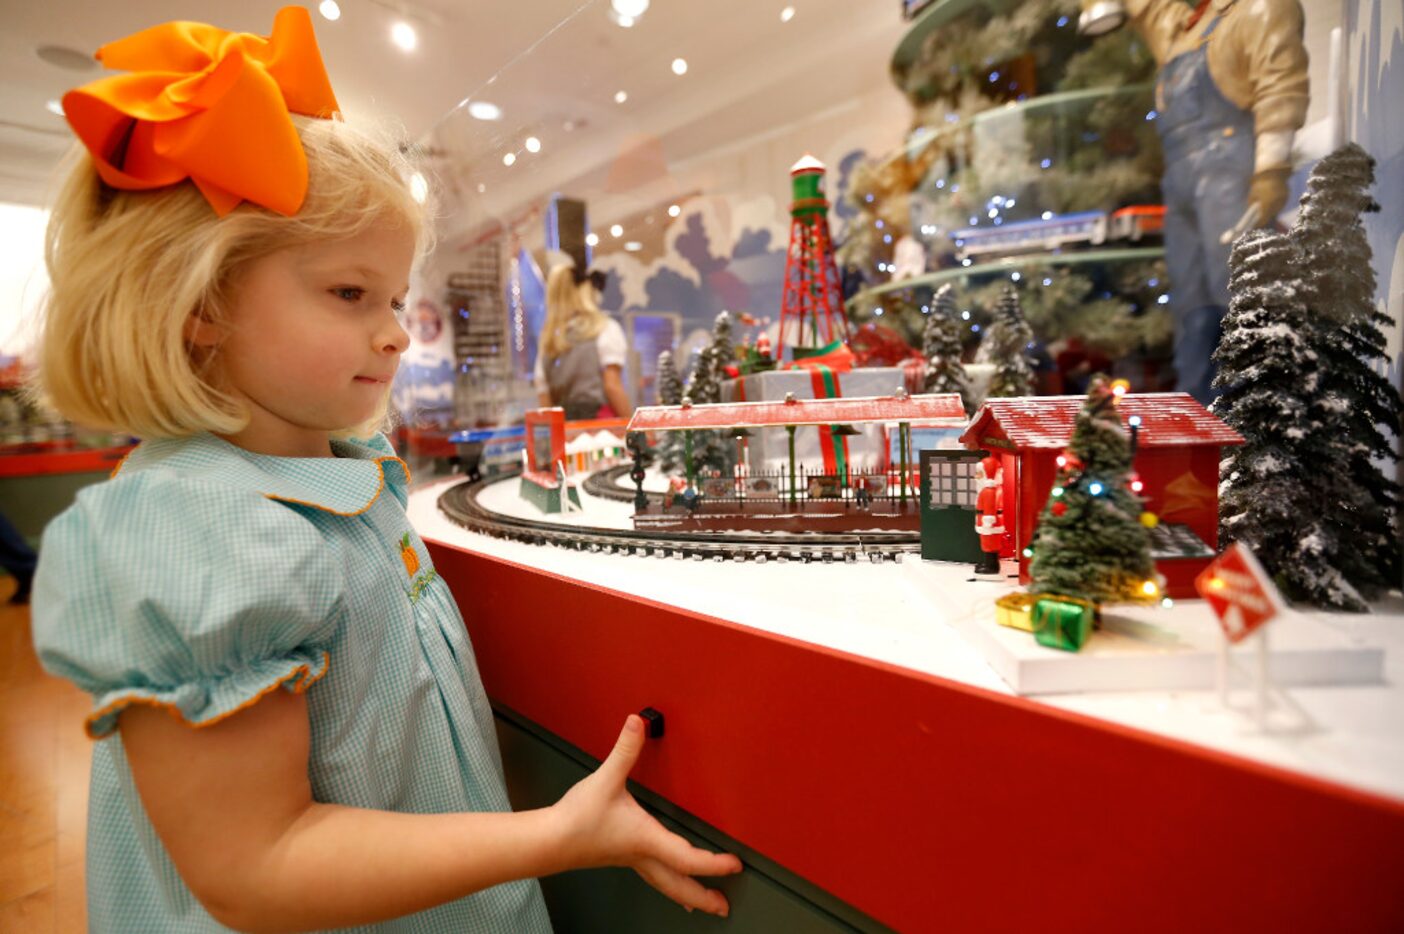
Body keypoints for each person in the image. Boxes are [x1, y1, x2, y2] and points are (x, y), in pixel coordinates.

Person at [28, 8, 739, 932]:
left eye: (397, 296)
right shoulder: (197, 530)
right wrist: (556, 837)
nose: (398, 330)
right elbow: (260, 863)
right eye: (349, 293)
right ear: (196, 302)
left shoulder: (339, 475)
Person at [533, 265, 633, 419]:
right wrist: (634, 427)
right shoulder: (605, 329)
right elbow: (612, 386)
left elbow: (545, 399)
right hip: (601, 431)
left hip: (565, 430)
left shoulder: (549, 341)